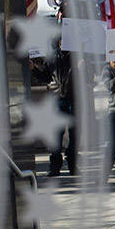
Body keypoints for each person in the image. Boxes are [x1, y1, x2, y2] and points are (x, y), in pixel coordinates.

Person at [48, 38, 76, 177]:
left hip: (74, 99)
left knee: (74, 135)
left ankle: (73, 165)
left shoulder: (78, 56)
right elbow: (47, 76)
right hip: (57, 99)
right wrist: (34, 69)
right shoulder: (53, 56)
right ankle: (54, 167)